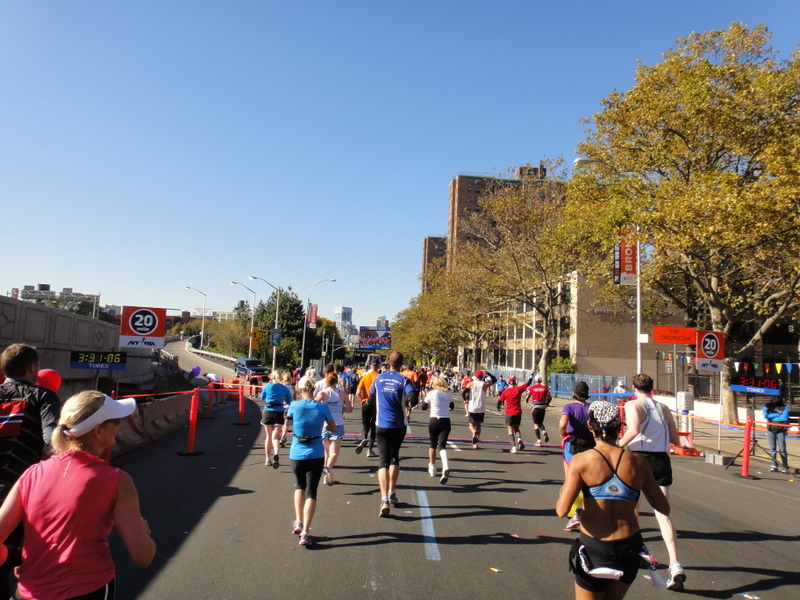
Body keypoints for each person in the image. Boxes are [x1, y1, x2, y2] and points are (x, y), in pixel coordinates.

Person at [0, 391, 155, 599]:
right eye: (116, 422)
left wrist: (20, 556)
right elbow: (142, 556)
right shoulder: (117, 480)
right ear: (98, 431)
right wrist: (142, 531)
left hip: (28, 592)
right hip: (89, 590)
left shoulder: (32, 474)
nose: (120, 426)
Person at [557, 401, 669, 600]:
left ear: (590, 426)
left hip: (595, 548)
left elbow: (562, 510)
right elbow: (663, 507)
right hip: (629, 548)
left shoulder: (581, 461)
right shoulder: (637, 461)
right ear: (619, 427)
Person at [0, 344, 61, 598]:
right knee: (21, 561)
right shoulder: (43, 396)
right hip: (17, 492)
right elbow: (52, 440)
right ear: (33, 368)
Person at [617, 373, 685, 591]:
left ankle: (634, 553)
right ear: (652, 388)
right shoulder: (663, 407)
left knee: (632, 510)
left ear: (634, 388)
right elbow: (675, 439)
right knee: (663, 514)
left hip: (640, 459)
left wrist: (617, 445)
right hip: (661, 460)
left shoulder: (633, 405)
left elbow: (634, 429)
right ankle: (676, 566)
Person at [286, 379, 336, 546]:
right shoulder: (322, 407)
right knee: (311, 492)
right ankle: (306, 532)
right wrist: (323, 427)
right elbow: (333, 428)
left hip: (297, 452)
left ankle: (298, 522)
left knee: (299, 486)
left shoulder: (294, 405)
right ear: (314, 390)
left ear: (300, 389)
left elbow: (288, 421)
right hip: (315, 452)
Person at [369, 351, 418, 517]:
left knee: (383, 460)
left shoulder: (378, 378)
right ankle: (391, 492)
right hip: (398, 425)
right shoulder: (404, 380)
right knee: (395, 457)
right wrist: (411, 400)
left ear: (388, 362)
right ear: (401, 364)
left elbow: (371, 396)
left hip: (381, 424)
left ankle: (383, 498)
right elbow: (413, 395)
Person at [559, 381, 595, 531]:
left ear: (574, 393)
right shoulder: (591, 408)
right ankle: (588, 515)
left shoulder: (569, 407)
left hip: (573, 445)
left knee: (571, 481)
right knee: (588, 482)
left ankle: (573, 515)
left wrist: (564, 434)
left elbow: (562, 424)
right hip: (590, 445)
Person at [315, 370, 350, 485]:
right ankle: (328, 468)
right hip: (338, 424)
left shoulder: (323, 393)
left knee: (326, 452)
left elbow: (314, 406)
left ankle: (326, 476)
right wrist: (341, 409)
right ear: (337, 382)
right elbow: (349, 409)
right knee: (334, 452)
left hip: (325, 424)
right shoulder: (343, 394)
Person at [422, 376, 454, 483]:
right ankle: (445, 466)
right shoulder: (448, 394)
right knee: (442, 445)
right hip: (445, 421)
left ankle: (432, 467)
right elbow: (452, 406)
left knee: (433, 445)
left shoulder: (432, 393)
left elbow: (423, 406)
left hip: (434, 420)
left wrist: (431, 406)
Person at [260, 371, 293, 468]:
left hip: (268, 411)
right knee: (275, 437)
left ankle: (267, 459)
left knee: (268, 437)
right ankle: (276, 453)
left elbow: (262, 397)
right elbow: (289, 401)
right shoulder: (284, 388)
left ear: (272, 377)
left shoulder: (267, 386)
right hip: (279, 412)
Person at [355, 359, 381, 457]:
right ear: (378, 367)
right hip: (376, 404)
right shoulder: (379, 377)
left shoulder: (365, 377)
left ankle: (364, 438)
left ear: (370, 366)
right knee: (374, 426)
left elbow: (358, 392)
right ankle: (370, 449)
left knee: (365, 425)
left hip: (365, 403)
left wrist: (362, 399)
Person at [465, 370, 497, 449]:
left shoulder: (471, 384)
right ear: (482, 376)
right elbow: (494, 379)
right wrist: (488, 373)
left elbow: (464, 392)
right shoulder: (484, 384)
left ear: (475, 376)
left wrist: (466, 398)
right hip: (481, 408)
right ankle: (476, 443)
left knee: (471, 425)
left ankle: (473, 432)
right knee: (478, 425)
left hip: (472, 407)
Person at [504, 374, 533, 453]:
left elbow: (500, 401)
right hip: (517, 412)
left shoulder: (506, 392)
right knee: (516, 428)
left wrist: (499, 406)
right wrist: (531, 374)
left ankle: (514, 447)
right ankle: (519, 439)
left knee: (510, 430)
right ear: (515, 383)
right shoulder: (518, 389)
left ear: (509, 383)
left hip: (509, 413)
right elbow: (528, 383)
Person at [763, 397, 791, 473]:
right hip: (770, 429)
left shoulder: (785, 407)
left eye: (775, 397)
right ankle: (773, 465)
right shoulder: (767, 406)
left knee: (782, 449)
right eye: (772, 397)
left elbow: (784, 417)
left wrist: (772, 416)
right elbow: (765, 415)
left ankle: (785, 466)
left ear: (779, 398)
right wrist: (777, 414)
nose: (773, 399)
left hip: (781, 430)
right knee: (772, 449)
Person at [527, 374, 552, 446]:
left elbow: (527, 396)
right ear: (541, 380)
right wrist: (547, 403)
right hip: (542, 407)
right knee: (540, 423)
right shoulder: (545, 388)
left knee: (536, 424)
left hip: (535, 407)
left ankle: (539, 440)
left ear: (535, 381)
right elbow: (549, 397)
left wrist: (526, 400)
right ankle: (543, 431)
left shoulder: (532, 388)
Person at [279, 371, 296, 448]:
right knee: (286, 424)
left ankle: (278, 437)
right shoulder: (292, 388)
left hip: (280, 407)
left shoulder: (281, 387)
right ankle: (283, 437)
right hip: (289, 407)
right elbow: (294, 398)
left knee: (279, 424)